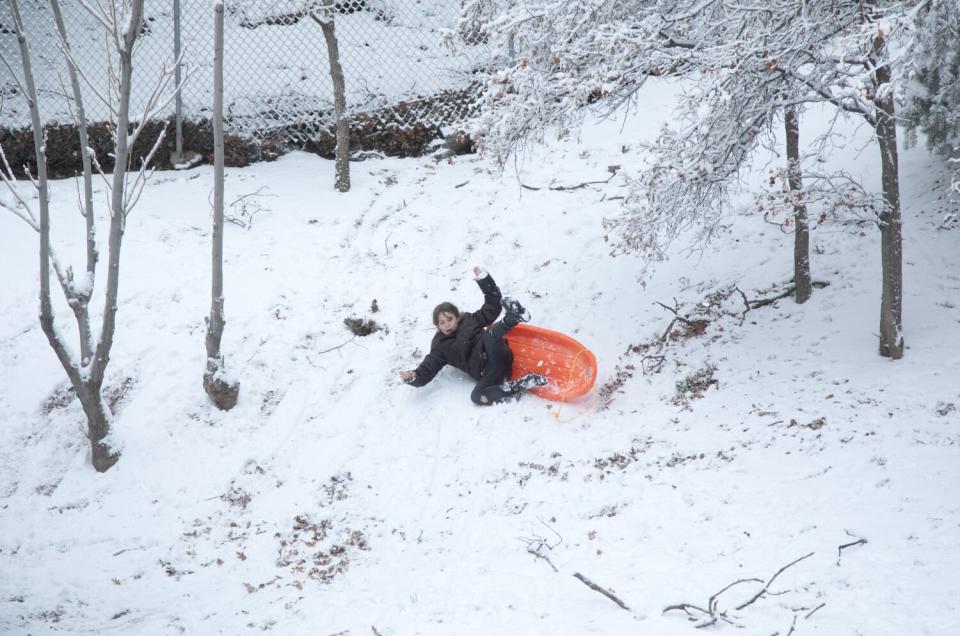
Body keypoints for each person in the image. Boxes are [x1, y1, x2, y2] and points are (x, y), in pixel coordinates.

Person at [399, 267, 547, 405]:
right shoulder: (440, 346)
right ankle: (522, 384)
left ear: (457, 317)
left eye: (449, 319)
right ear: (437, 325)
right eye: (442, 322)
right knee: (477, 397)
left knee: (489, 336)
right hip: (491, 372)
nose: (447, 325)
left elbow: (492, 308)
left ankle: (513, 318)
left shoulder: (469, 320)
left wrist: (485, 281)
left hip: (500, 354)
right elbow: (428, 369)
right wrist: (413, 377)